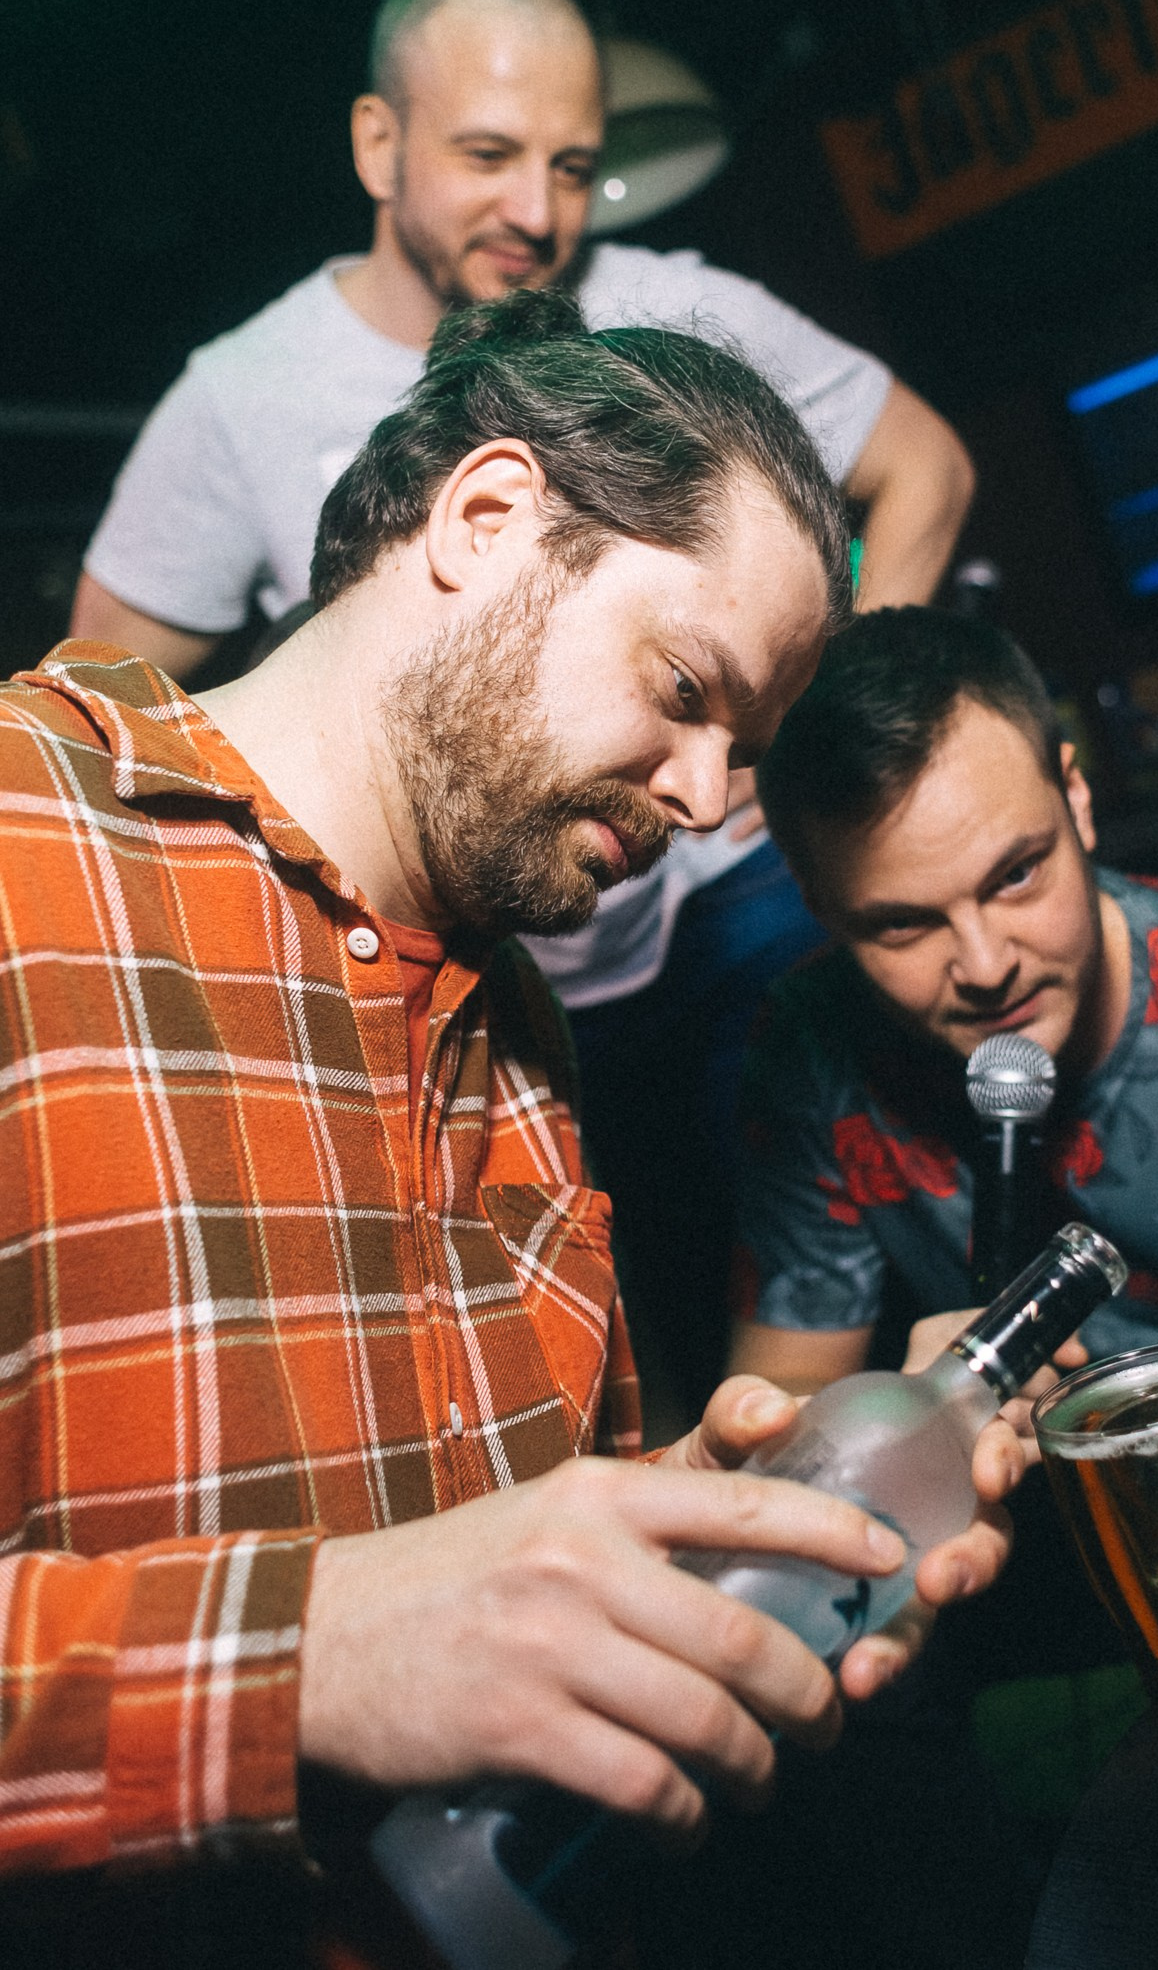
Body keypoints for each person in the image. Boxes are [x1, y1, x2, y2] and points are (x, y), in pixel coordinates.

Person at [0, 297, 1020, 1969]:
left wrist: (699, 1535)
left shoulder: (523, 1033)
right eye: (683, 690)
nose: (708, 802)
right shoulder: (22, 841)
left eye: (742, 751)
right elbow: (389, 1629)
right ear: (486, 520)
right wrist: (311, 1664)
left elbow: (486, 1583)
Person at [69, 0, 975, 1424]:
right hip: (452, 946)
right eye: (490, 156)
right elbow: (102, 671)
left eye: (571, 166)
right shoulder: (239, 395)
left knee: (788, 1295)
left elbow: (922, 464)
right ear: (380, 144)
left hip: (707, 933)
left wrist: (785, 744)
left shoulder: (670, 317)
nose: (540, 213)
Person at [733, 608, 1158, 1564]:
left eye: (1015, 875)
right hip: (1032, 1579)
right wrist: (888, 1421)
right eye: (903, 924)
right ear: (820, 908)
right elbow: (769, 1448)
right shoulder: (812, 1055)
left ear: (1078, 801)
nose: (985, 965)